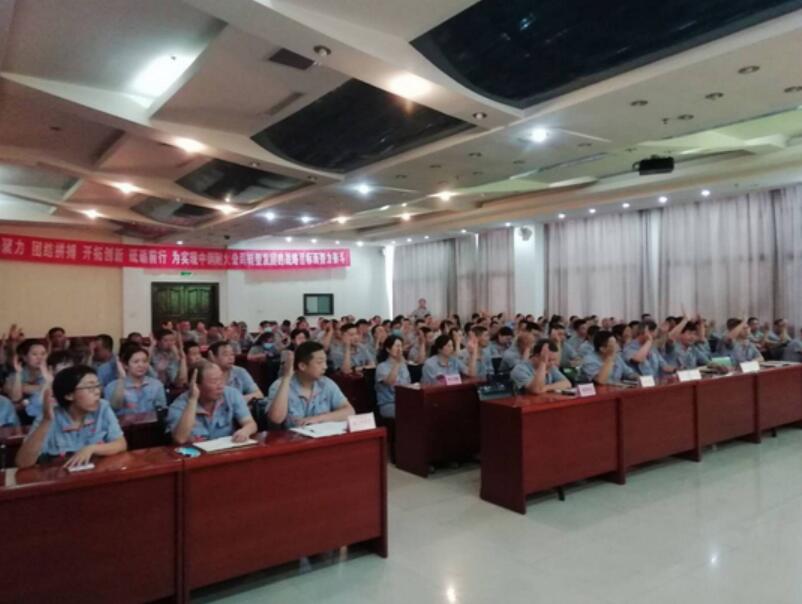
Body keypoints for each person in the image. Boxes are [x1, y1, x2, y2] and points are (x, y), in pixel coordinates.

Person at [16, 365, 127, 469]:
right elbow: (22, 463)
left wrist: (91, 449)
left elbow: (121, 444)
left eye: (97, 386)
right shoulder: (48, 417)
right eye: (90, 387)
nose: (97, 392)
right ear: (69, 395)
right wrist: (46, 421)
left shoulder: (102, 407)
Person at [265, 342, 355, 427]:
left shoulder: (326, 383)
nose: (325, 367)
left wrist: (317, 419)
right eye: (319, 362)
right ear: (302, 366)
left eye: (325, 362)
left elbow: (349, 411)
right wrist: (287, 377)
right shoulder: (280, 385)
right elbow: (276, 419)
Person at [167, 362, 257, 444]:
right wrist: (192, 400)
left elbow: (250, 423)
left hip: (226, 450)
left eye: (221, 379)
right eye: (214, 381)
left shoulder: (231, 394)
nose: (221, 386)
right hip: (196, 454)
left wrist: (245, 431)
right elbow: (180, 439)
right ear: (197, 386)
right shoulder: (179, 405)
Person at [105, 346, 167, 416]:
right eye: (136, 362)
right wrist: (121, 379)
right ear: (125, 365)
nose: (141, 365)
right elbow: (113, 408)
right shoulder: (111, 387)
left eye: (144, 361)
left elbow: (162, 411)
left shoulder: (156, 385)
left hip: (152, 422)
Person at [374, 335, 412, 419]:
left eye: (401, 346)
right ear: (388, 349)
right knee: (411, 412)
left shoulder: (403, 365)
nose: (400, 349)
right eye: (397, 346)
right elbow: (390, 382)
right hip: (389, 404)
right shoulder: (381, 367)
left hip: (405, 401)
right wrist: (397, 363)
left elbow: (408, 384)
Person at [4, 338, 47, 402]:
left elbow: (52, 390)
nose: (40, 357)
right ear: (24, 357)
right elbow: (15, 398)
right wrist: (18, 375)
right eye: (34, 354)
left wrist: (25, 388)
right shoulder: (15, 375)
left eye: (43, 354)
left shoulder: (50, 372)